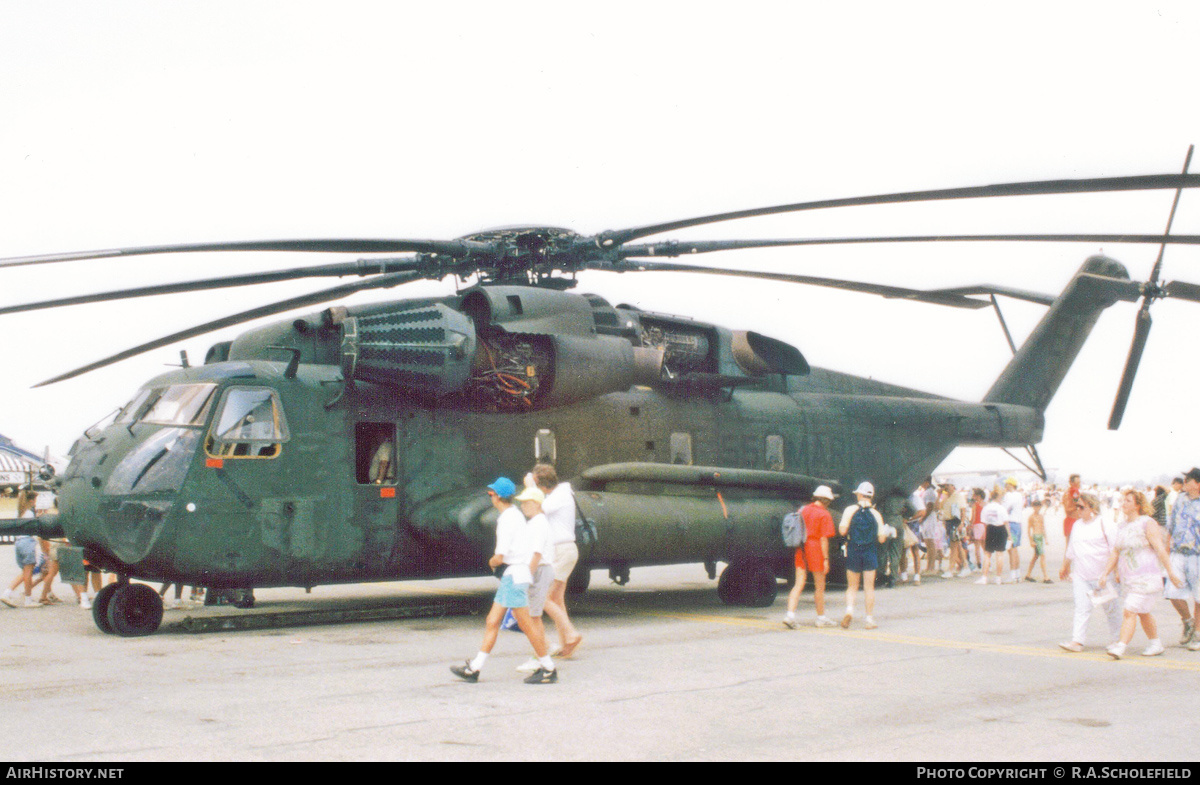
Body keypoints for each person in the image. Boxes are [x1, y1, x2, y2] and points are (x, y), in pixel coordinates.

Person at [451, 478, 557, 684]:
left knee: (526, 625)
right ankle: (475, 668)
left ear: (496, 497)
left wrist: (492, 562)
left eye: (491, 494)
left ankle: (548, 668)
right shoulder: (515, 515)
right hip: (514, 576)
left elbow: (500, 555)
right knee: (492, 621)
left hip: (514, 576)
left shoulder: (506, 520)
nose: (490, 497)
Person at [1097, 490, 1183, 658]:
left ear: (1137, 504)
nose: (1124, 503)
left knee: (1129, 610)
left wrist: (1170, 572)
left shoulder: (1147, 522)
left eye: (1128, 501)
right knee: (1143, 611)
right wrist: (1106, 573)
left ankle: (1120, 646)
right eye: (1123, 500)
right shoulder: (1121, 526)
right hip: (1130, 578)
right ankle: (1155, 643)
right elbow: (1115, 552)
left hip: (1147, 577)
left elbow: (1159, 547)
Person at [528, 464, 582, 658]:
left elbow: (538, 508)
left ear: (541, 484)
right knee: (557, 599)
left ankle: (571, 634)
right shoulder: (559, 495)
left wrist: (530, 487)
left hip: (562, 550)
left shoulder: (559, 495)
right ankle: (566, 643)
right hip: (561, 551)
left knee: (543, 598)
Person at [1058, 492, 1121, 653]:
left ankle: (1117, 641)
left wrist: (1115, 571)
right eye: (1077, 506)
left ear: (1092, 507)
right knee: (1081, 608)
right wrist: (1065, 565)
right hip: (1081, 575)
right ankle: (1077, 641)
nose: (1078, 510)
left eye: (1081, 507)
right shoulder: (1077, 525)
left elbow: (1116, 549)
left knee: (1111, 609)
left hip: (1103, 576)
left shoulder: (1105, 523)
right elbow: (1071, 548)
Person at [512, 485, 558, 674]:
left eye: (526, 502)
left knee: (533, 616)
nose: (523, 506)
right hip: (538, 571)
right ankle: (544, 649)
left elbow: (536, 553)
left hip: (539, 571)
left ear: (537, 504)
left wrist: (526, 576)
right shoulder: (535, 522)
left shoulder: (539, 524)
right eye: (521, 502)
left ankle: (539, 656)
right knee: (532, 615)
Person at [783, 485, 837, 629]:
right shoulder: (824, 514)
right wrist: (825, 559)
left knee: (799, 583)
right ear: (826, 500)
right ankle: (820, 618)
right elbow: (824, 539)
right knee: (819, 586)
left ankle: (790, 616)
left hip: (801, 548)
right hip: (816, 549)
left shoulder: (803, 509)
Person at [838, 482, 888, 630]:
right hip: (870, 551)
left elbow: (842, 530)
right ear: (871, 496)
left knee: (852, 587)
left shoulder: (850, 510)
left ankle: (849, 611)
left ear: (859, 495)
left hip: (854, 549)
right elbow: (881, 539)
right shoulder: (876, 514)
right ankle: (869, 619)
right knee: (869, 587)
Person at [1164, 467, 1200, 650]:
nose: (1184, 483)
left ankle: (1198, 635)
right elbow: (1171, 525)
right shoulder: (1180, 499)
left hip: (1197, 555)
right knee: (1171, 591)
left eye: (1188, 480)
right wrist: (1165, 549)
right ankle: (1188, 621)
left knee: (1199, 596)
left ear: (1197, 483)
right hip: (1177, 553)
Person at [1, 489, 43, 608]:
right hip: (27, 542)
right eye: (35, 500)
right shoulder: (30, 513)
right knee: (28, 573)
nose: (36, 502)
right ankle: (28, 600)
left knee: (25, 572)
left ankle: (7, 593)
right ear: (31, 500)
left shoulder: (19, 511)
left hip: (19, 542)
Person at [975, 488, 1008, 585]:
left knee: (987, 554)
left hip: (990, 529)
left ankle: (984, 577)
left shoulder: (986, 508)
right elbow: (1006, 522)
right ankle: (998, 578)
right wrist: (1009, 535)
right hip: (1000, 528)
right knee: (1000, 554)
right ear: (999, 497)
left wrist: (985, 534)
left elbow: (984, 522)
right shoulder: (1001, 508)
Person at [1022, 500, 1051, 583]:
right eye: (1035, 507)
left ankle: (1028, 574)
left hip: (1040, 536)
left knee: (1036, 556)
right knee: (1042, 555)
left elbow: (1043, 527)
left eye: (1038, 507)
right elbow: (1028, 530)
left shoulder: (1041, 516)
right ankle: (1046, 576)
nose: (1037, 508)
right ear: (1033, 507)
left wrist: (1046, 538)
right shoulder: (1031, 517)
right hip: (1036, 536)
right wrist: (1031, 541)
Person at [1003, 477, 1025, 584]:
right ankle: (1017, 574)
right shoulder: (1019, 495)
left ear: (1011, 485)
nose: (1005, 486)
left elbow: (1005, 509)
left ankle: (1012, 575)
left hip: (1010, 523)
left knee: (1011, 550)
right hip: (1018, 523)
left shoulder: (1009, 495)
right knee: (1015, 550)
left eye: (1007, 484)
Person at [1062, 474, 1082, 543]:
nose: (1079, 484)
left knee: (1068, 545)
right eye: (1078, 483)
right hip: (1074, 520)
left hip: (1068, 519)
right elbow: (1077, 502)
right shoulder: (1075, 491)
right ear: (1072, 483)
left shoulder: (1066, 492)